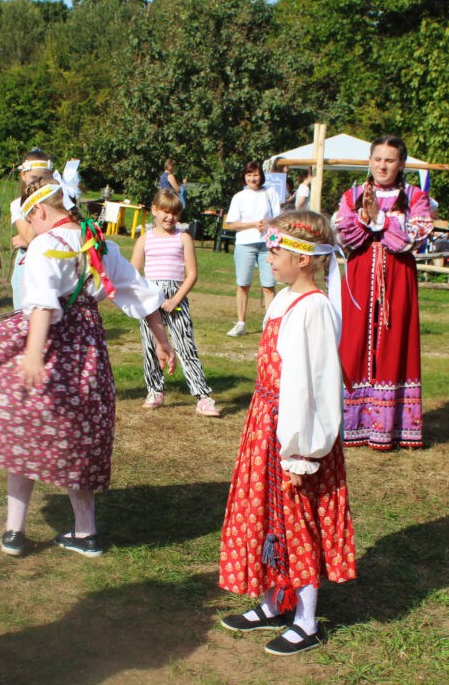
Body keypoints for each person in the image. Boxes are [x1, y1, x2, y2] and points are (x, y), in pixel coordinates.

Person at [0, 175, 176, 558]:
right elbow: (140, 293)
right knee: (77, 436)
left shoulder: (46, 244)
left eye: (30, 221)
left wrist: (32, 355)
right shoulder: (99, 242)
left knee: (23, 431)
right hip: (88, 352)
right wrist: (162, 342)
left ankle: (15, 531)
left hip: (50, 345)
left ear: (41, 212)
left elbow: (44, 303)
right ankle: (85, 533)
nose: (30, 230)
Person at [218, 209, 355, 656]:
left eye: (277, 249)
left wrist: (302, 453)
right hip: (268, 424)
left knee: (298, 520)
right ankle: (275, 600)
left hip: (294, 431)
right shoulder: (283, 300)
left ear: (304, 259)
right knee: (268, 515)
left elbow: (311, 384)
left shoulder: (314, 307)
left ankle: (307, 619)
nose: (270, 255)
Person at [332, 135, 433, 450]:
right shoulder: (353, 194)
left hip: (398, 277)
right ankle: (354, 423)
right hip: (360, 274)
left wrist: (378, 219)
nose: (382, 165)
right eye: (378, 159)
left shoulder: (416, 197)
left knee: (393, 341)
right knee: (355, 341)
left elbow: (411, 239)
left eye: (390, 160)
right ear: (370, 161)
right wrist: (369, 219)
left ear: (401, 164)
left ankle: (389, 428)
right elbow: (344, 234)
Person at [131, 188, 220, 416]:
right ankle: (155, 390)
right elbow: (133, 272)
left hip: (176, 297)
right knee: (150, 346)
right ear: (154, 210)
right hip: (150, 299)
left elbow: (192, 274)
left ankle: (202, 396)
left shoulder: (184, 238)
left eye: (175, 213)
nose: (170, 217)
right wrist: (144, 297)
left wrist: (175, 299)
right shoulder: (144, 239)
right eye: (165, 212)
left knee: (185, 345)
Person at [224, 161, 282, 337]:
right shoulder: (239, 197)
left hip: (267, 244)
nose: (252, 178)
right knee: (243, 284)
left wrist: (268, 223)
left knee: (269, 285)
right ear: (244, 177)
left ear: (261, 176)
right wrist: (251, 224)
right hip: (245, 244)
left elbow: (279, 219)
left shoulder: (270, 193)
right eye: (249, 175)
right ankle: (241, 322)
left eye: (255, 175)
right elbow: (231, 224)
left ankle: (269, 324)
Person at [9, 149, 57, 310]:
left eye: (44, 179)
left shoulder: (57, 204)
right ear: (23, 175)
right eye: (33, 178)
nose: (37, 184)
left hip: (51, 261)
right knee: (23, 310)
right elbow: (30, 237)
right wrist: (29, 240)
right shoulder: (18, 205)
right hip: (27, 262)